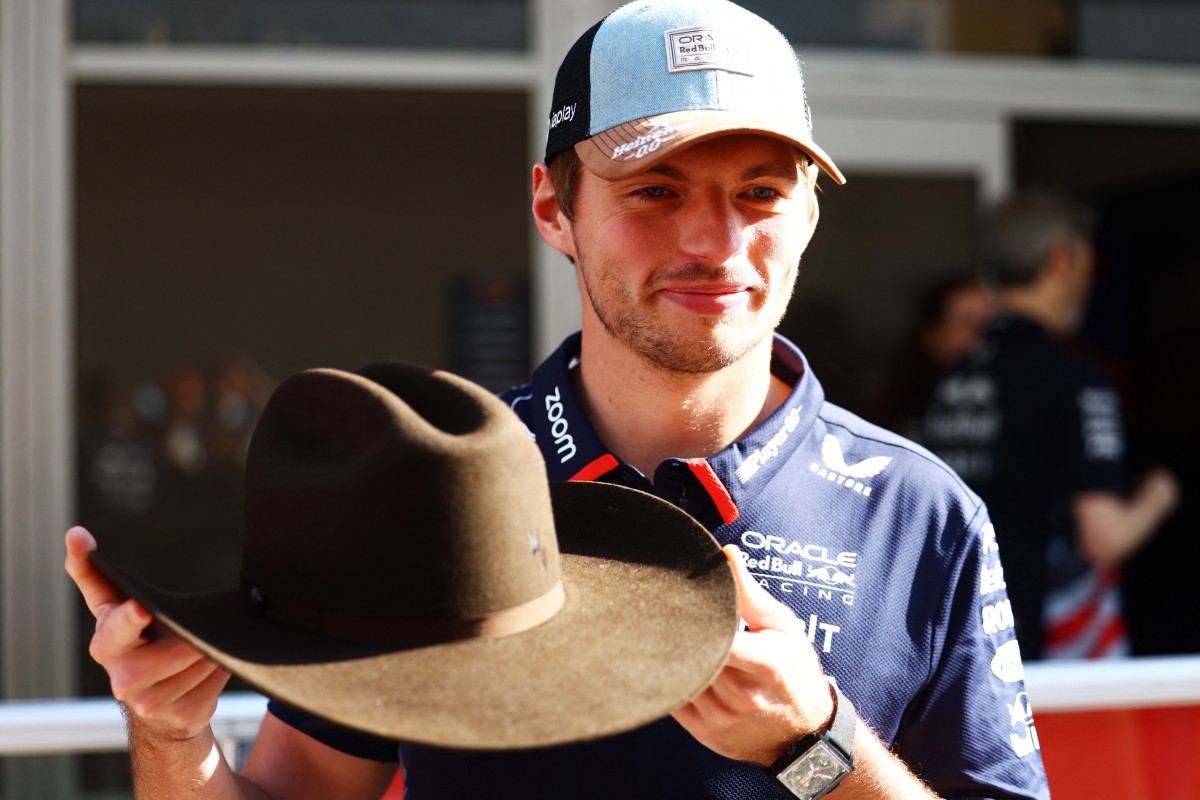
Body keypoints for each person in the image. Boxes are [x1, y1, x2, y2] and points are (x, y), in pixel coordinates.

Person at [64, 1, 1050, 798]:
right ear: (553, 207)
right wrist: (172, 735)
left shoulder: (920, 512)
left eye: (759, 191)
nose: (714, 242)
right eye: (656, 190)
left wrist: (817, 744)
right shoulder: (437, 485)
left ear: (809, 213)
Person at [918, 190, 1180, 660]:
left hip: (955, 635)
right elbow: (1104, 537)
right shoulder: (1075, 378)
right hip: (1043, 649)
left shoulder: (953, 378)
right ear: (1062, 259)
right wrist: (1160, 493)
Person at [871, 274, 991, 438]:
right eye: (967, 323)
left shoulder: (1012, 388)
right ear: (931, 333)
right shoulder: (904, 399)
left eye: (990, 325)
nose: (982, 338)